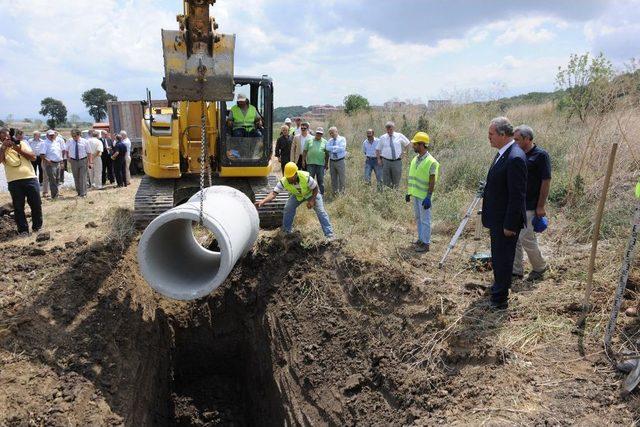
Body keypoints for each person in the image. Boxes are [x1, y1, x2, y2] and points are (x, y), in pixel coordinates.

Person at [482, 117, 527, 310]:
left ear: (502, 134)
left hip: (505, 222)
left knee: (504, 257)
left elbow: (517, 195)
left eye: (491, 134)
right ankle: (499, 286)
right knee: (498, 256)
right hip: (497, 218)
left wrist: (510, 225)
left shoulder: (514, 157)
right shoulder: (503, 153)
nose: (488, 138)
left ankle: (500, 299)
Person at [255, 162, 335, 239]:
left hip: (312, 193)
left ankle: (329, 235)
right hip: (298, 195)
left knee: (321, 211)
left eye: (291, 177)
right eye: (288, 177)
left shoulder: (305, 177)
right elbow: (273, 194)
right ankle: (286, 232)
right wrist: (262, 202)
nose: (289, 179)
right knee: (288, 208)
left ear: (296, 173)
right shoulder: (284, 181)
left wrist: (312, 200)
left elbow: (315, 188)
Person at [512, 125, 550, 281]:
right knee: (514, 238)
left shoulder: (541, 156)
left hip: (531, 205)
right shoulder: (517, 154)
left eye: (517, 139)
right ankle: (516, 271)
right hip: (516, 204)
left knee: (526, 238)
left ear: (527, 139)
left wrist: (540, 206)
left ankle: (540, 268)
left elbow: (546, 181)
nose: (514, 142)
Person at [0, 127, 42, 235]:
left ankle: (37, 227)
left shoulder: (21, 143)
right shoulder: (1, 147)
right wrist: (4, 147)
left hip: (30, 178)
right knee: (18, 207)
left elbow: (33, 158)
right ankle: (23, 230)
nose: (7, 137)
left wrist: (16, 148)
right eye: (3, 136)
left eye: (8, 135)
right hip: (14, 181)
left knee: (36, 204)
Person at [405, 132, 439, 253]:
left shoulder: (432, 162)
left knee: (425, 220)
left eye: (415, 144)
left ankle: (426, 243)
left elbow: (432, 181)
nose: (413, 146)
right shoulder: (416, 159)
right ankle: (420, 239)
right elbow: (413, 176)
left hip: (424, 197)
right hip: (416, 194)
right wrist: (409, 192)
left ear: (422, 145)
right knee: (419, 218)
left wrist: (429, 197)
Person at [376, 121, 411, 188]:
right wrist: (378, 160)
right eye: (387, 129)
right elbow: (378, 149)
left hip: (397, 162)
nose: (389, 130)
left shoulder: (399, 135)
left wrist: (404, 152)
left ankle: (395, 193)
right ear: (386, 129)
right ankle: (387, 195)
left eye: (391, 129)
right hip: (386, 162)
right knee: (386, 181)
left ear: (394, 128)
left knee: (396, 180)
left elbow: (408, 144)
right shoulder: (383, 137)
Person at [64, 128, 93, 197]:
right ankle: (79, 192)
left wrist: (90, 162)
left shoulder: (85, 141)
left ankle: (83, 193)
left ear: (79, 135)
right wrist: (68, 158)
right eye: (73, 136)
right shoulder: (69, 141)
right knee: (76, 177)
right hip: (73, 161)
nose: (74, 137)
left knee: (83, 177)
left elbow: (89, 153)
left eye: (75, 136)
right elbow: (66, 150)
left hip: (83, 160)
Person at [303, 127, 329, 195]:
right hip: (310, 164)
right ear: (315, 133)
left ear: (322, 134)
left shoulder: (325, 142)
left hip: (320, 164)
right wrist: (303, 161)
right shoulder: (309, 140)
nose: (318, 134)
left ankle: (321, 195)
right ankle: (309, 195)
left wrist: (326, 163)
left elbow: (327, 154)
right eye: (317, 133)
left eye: (320, 133)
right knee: (310, 180)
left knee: (321, 181)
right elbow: (305, 151)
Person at [40, 130, 64, 199]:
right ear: (47, 135)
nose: (52, 136)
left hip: (57, 162)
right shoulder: (44, 143)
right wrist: (47, 160)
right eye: (50, 135)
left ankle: (56, 193)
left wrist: (61, 162)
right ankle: (55, 195)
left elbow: (59, 152)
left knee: (57, 179)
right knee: (52, 179)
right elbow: (42, 155)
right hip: (50, 163)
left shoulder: (56, 142)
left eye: (53, 135)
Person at [326, 126, 347, 195]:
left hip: (340, 161)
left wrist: (332, 148)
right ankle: (335, 193)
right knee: (333, 178)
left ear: (336, 132)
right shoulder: (329, 141)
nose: (331, 134)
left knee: (342, 178)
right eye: (330, 133)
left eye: (333, 133)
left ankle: (342, 193)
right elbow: (327, 148)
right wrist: (336, 147)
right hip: (332, 161)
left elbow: (342, 148)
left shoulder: (342, 139)